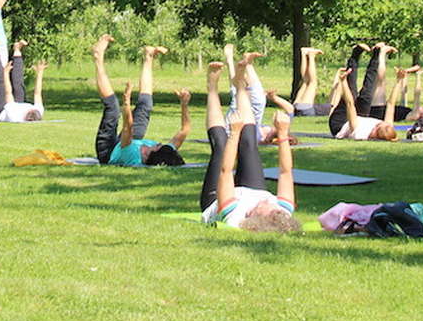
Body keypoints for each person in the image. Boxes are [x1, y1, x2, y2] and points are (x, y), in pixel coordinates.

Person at [199, 48, 300, 232]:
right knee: (249, 143)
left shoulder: (234, 215)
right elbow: (285, 172)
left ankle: (212, 88)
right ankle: (240, 87)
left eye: (267, 206)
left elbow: (226, 171)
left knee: (221, 145)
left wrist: (234, 133)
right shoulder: (282, 212)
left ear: (256, 215)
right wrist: (283, 135)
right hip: (249, 190)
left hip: (217, 199)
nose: (268, 201)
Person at [91, 35, 189, 166]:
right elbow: (185, 129)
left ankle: (98, 57)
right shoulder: (165, 152)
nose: (159, 143)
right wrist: (184, 104)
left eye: (158, 146)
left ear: (150, 153)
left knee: (113, 107)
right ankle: (149, 57)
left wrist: (126, 102)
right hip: (132, 140)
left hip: (108, 150)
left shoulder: (132, 156)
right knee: (146, 105)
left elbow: (128, 128)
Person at [326, 63, 402, 141]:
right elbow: (391, 104)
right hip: (360, 118)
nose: (380, 122)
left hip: (339, 123)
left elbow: (349, 104)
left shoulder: (359, 133)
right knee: (367, 97)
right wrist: (399, 81)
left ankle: (350, 67)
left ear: (375, 131)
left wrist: (344, 82)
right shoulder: (386, 126)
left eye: (379, 124)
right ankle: (374, 60)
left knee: (352, 92)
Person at [0, 50, 48, 123]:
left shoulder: (13, 115)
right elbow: (37, 93)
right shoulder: (39, 110)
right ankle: (17, 53)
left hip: (2, 111)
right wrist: (40, 73)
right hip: (18, 103)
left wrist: (5, 73)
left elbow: (8, 93)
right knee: (19, 87)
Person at [290, 47, 332, 117]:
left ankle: (310, 55)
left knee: (312, 82)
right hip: (297, 107)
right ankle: (305, 54)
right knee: (306, 81)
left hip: (304, 108)